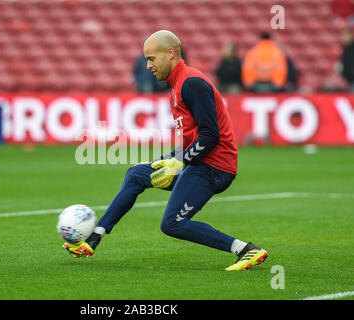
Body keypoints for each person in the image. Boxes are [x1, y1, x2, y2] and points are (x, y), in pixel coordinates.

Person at [64, 30, 269, 271]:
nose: (148, 65)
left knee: (173, 223)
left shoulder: (192, 83)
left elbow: (210, 135)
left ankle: (246, 250)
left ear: (170, 53)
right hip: (198, 162)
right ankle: (94, 237)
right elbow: (192, 137)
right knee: (136, 174)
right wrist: (170, 158)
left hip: (215, 167)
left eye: (151, 58)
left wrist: (179, 162)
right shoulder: (177, 86)